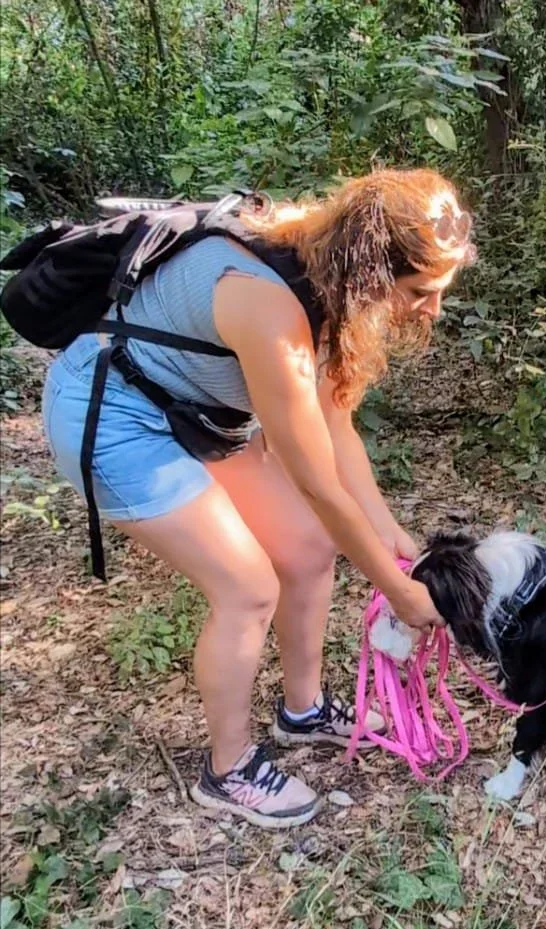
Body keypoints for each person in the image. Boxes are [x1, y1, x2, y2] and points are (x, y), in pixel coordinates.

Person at [40, 169, 475, 828]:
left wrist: (391, 536)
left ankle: (302, 710)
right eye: (422, 292)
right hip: (113, 415)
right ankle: (229, 770)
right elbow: (316, 480)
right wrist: (400, 591)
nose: (431, 310)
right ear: (374, 272)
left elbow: (335, 427)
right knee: (246, 587)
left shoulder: (326, 277)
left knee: (304, 547)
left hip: (193, 411)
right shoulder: (270, 305)